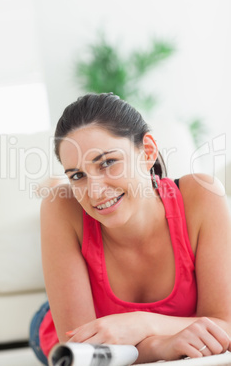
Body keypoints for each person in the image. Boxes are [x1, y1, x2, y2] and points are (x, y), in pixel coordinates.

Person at [29, 93, 231, 364]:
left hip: (121, 340)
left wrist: (141, 324)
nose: (95, 191)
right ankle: (53, 183)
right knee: (59, 198)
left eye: (108, 162)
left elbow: (225, 327)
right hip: (59, 333)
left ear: (147, 151)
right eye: (77, 175)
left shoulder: (202, 195)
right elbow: (85, 352)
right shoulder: (59, 208)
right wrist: (160, 346)